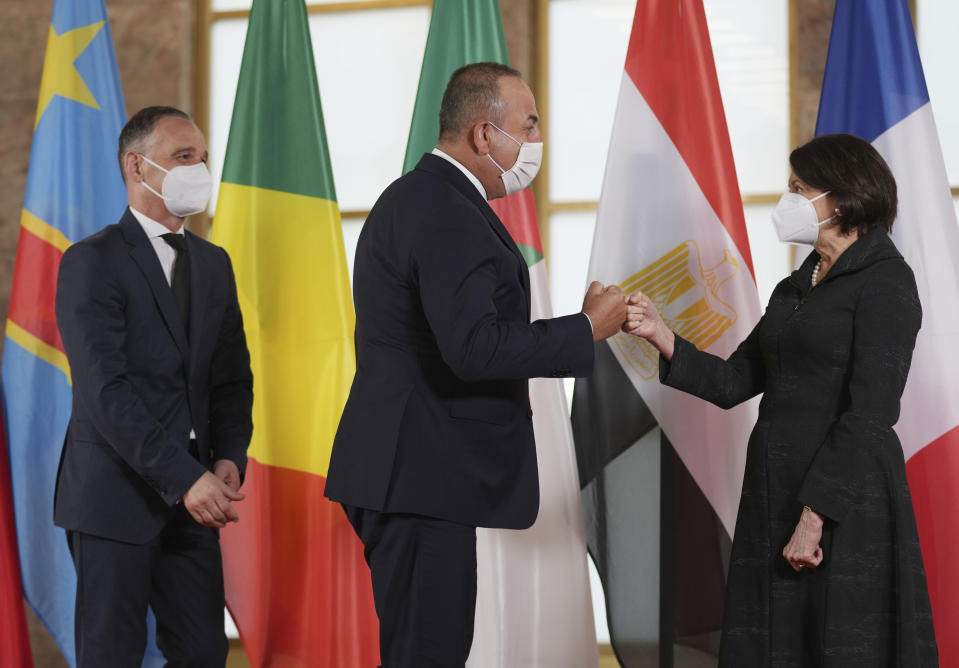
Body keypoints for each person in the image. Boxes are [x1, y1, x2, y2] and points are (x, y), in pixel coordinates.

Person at [324, 62, 628, 666]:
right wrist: (588, 329)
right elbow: (476, 348)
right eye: (530, 123)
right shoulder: (444, 207)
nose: (538, 140)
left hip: (416, 472)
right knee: (428, 653)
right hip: (418, 474)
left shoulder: (428, 195)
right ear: (485, 135)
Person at [624, 133, 938, 667]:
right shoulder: (795, 286)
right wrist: (661, 334)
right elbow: (733, 381)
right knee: (771, 645)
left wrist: (815, 515)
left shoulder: (887, 281)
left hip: (842, 502)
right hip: (774, 494)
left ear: (840, 198)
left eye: (798, 188)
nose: (786, 201)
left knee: (836, 644)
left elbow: (871, 413)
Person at [54, 106, 253, 667]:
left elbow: (232, 377)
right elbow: (105, 391)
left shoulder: (215, 265)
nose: (199, 169)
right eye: (183, 157)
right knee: (111, 654)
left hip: (194, 503)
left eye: (203, 158)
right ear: (136, 166)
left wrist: (229, 456)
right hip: (112, 499)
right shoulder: (91, 262)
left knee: (203, 653)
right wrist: (185, 477)